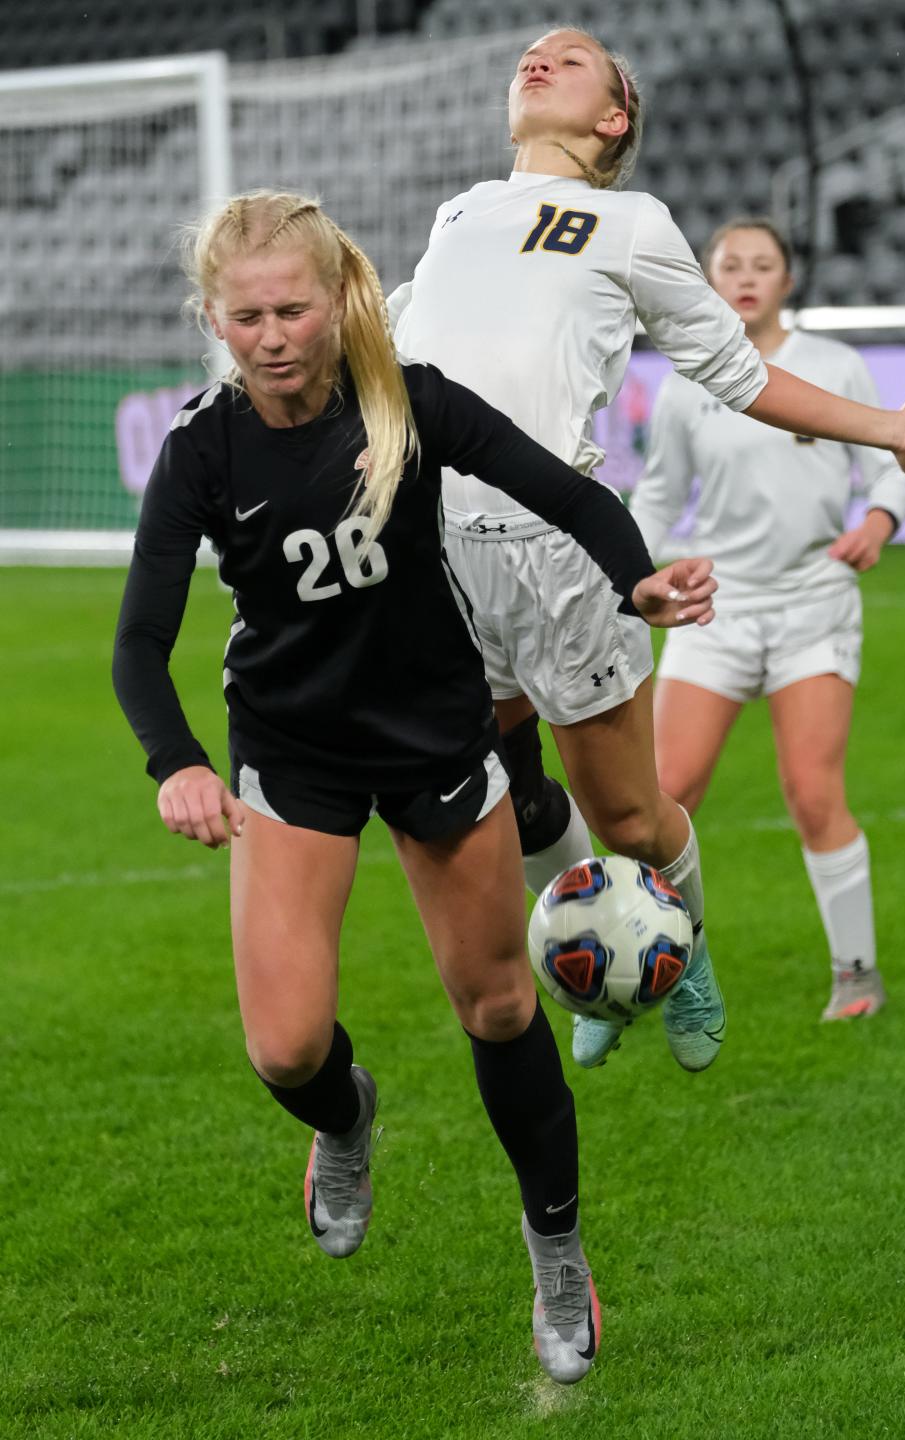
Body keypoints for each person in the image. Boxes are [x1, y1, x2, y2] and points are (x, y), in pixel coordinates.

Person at [111, 189, 716, 1387]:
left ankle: (557, 1251)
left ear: (338, 302)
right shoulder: (201, 449)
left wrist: (636, 582)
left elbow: (568, 490)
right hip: (293, 753)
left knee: (499, 1009)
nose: (273, 335)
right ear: (214, 321)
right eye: (247, 317)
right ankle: (346, 1119)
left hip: (436, 736)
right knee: (285, 1050)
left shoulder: (411, 404)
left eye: (293, 308)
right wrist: (177, 759)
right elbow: (141, 642)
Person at [388, 26, 905, 1069]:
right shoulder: (457, 213)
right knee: (512, 780)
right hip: (442, 554)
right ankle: (595, 949)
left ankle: (685, 960)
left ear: (614, 118)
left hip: (558, 551)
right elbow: (394, 345)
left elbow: (737, 373)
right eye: (532, 53)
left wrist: (885, 432)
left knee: (633, 816)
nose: (538, 57)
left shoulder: (628, 222)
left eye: (575, 57)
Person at [629, 216, 905, 1021]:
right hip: (715, 607)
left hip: (812, 604)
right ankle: (658, 971)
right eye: (730, 264)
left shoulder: (834, 367)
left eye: (763, 264)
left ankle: (856, 975)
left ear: (788, 280)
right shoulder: (690, 378)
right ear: (710, 282)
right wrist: (622, 566)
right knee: (665, 793)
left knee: (812, 792)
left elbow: (888, 470)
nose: (747, 277)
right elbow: (656, 498)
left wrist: (878, 524)